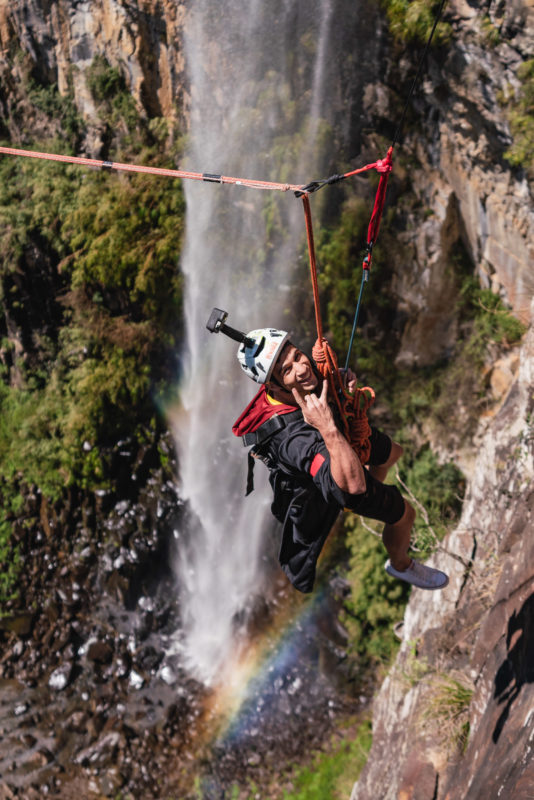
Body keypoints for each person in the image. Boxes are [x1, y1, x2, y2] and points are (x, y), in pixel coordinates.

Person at [230, 325, 449, 594]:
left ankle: (369, 487)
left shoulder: (297, 385)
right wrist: (328, 428)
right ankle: (400, 564)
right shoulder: (292, 440)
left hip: (342, 439)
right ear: (272, 385)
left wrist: (336, 381)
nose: (301, 369)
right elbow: (353, 485)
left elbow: (316, 379)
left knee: (394, 453)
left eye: (298, 357)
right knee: (404, 515)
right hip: (339, 480)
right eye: (287, 370)